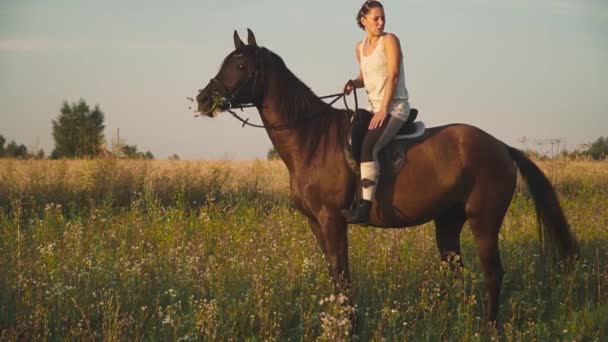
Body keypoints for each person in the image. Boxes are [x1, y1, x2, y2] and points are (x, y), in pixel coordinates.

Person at [344, 0, 411, 224]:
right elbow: (365, 76)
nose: (381, 22)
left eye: (383, 18)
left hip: (394, 108)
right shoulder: (359, 48)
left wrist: (384, 109)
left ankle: (365, 206)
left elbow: (392, 75)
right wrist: (353, 83)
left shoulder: (390, 41)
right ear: (364, 21)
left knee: (369, 146)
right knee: (351, 137)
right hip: (375, 109)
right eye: (376, 18)